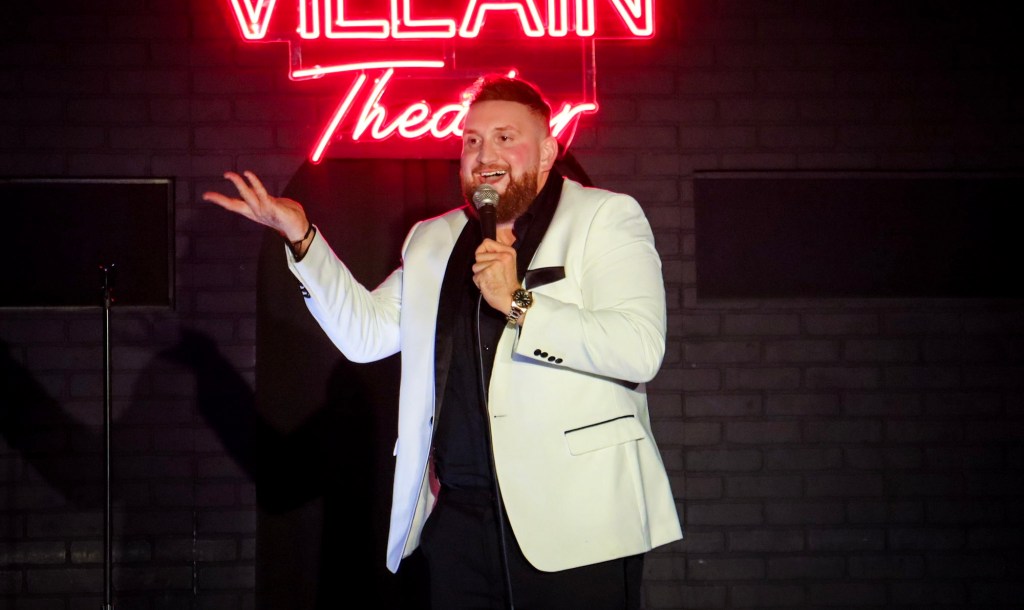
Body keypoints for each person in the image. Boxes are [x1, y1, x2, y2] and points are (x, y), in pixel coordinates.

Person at [204, 74, 682, 609]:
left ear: (547, 151)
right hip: (460, 519)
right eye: (472, 140)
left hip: (579, 519)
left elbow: (640, 348)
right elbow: (365, 334)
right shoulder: (433, 238)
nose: (484, 153)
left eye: (506, 137)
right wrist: (302, 237)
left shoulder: (604, 217)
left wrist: (520, 304)